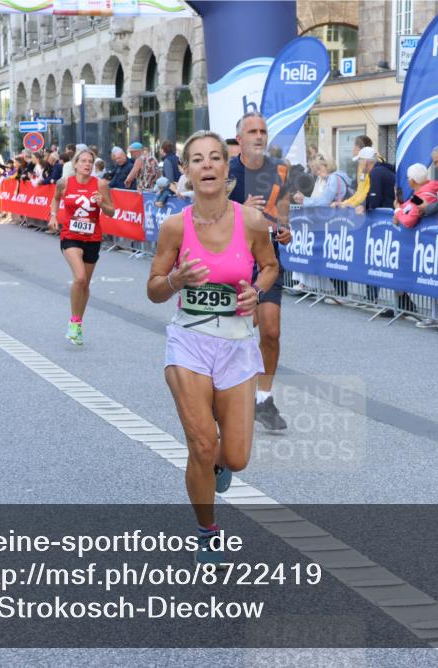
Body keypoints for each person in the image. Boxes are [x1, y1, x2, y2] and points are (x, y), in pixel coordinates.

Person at [146, 130, 278, 566]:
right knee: (202, 444)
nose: (207, 165)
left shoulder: (252, 222)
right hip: (190, 343)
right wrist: (174, 282)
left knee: (235, 457)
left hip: (238, 345)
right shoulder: (174, 227)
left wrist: (256, 292)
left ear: (227, 169)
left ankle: (216, 470)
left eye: (215, 158)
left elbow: (271, 266)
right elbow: (153, 289)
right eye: (197, 159)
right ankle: (207, 532)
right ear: (185, 171)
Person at [228, 112, 293, 432]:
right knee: (234, 332)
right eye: (251, 131)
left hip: (268, 261)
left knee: (271, 331)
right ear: (239, 138)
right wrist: (242, 212)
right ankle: (224, 390)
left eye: (263, 131)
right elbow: (208, 214)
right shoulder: (227, 172)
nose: (258, 136)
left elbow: (282, 211)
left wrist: (285, 229)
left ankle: (263, 399)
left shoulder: (279, 170)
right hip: (233, 263)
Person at [48, 149, 115, 345]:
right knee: (79, 278)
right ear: (75, 164)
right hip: (70, 236)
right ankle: (73, 322)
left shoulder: (100, 184)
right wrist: (53, 215)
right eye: (83, 161)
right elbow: (56, 198)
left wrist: (102, 204)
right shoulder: (65, 182)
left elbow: (111, 212)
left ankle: (78, 323)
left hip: (93, 238)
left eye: (90, 162)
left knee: (85, 285)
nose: (87, 164)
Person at [394, 163, 438, 228]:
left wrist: (397, 211)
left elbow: (409, 221)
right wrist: (399, 210)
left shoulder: (419, 198)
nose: (407, 180)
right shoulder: (431, 188)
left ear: (412, 181)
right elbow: (409, 205)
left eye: (408, 178)